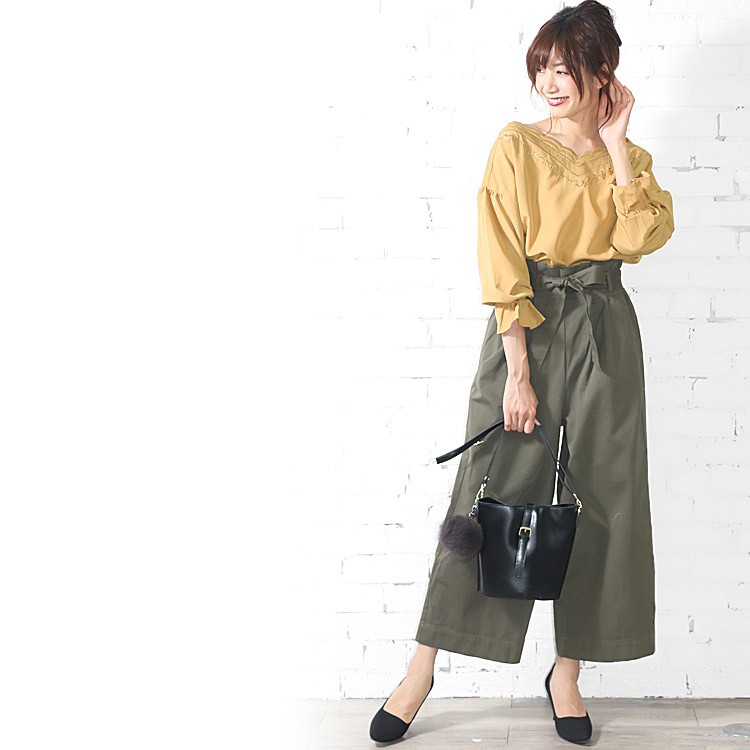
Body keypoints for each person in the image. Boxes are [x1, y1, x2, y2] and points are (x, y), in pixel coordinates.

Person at [368, 1, 675, 745]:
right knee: (488, 488)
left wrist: (616, 144)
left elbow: (641, 237)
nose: (550, 83)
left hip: (605, 326)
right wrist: (517, 371)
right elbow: (502, 255)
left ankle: (566, 673)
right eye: (543, 68)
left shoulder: (627, 160)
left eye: (566, 69)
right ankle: (421, 668)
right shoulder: (516, 145)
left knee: (605, 497)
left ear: (604, 73)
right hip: (528, 326)